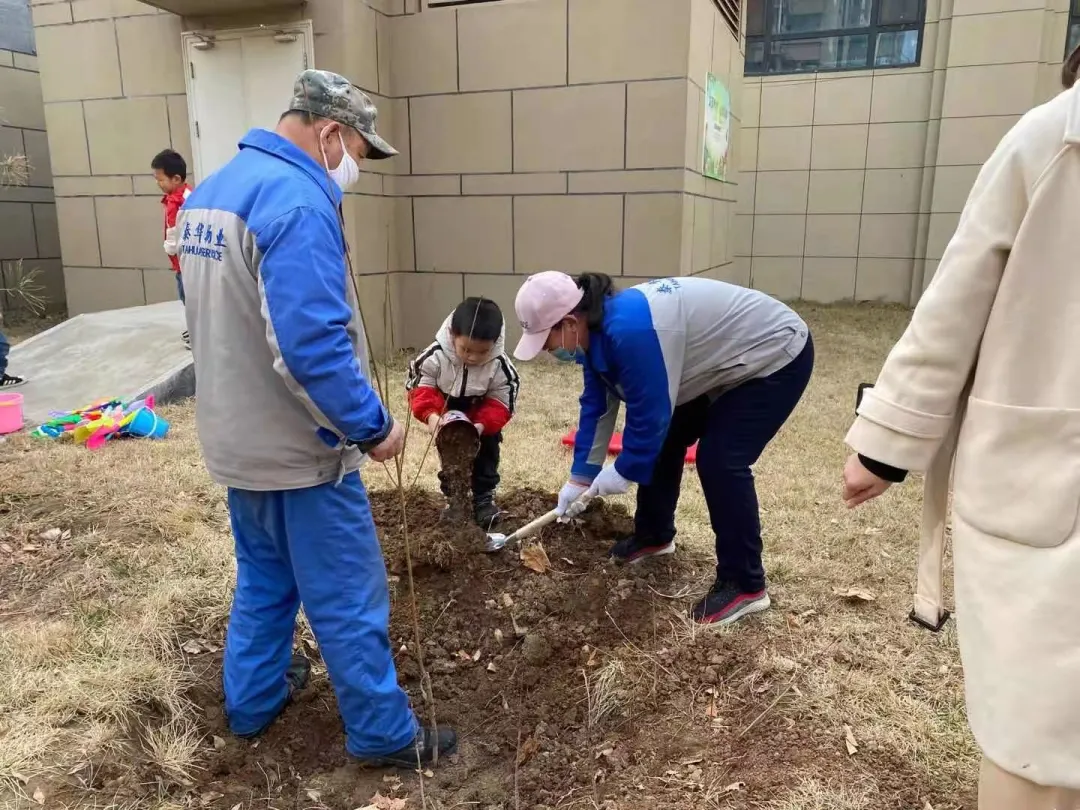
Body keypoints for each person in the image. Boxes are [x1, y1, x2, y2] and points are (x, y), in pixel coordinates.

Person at [176, 69, 456, 767]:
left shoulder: (213, 192)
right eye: (360, 152)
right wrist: (370, 424)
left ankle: (253, 699)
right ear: (330, 133)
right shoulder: (298, 201)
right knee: (349, 596)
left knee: (266, 578)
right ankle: (384, 735)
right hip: (302, 451)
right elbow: (310, 347)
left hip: (238, 440)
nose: (356, 167)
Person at [842, 57, 1080, 808]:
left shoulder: (1051, 135)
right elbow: (961, 294)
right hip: (1054, 467)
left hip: (1049, 460)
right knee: (1042, 721)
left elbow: (956, 290)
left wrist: (881, 445)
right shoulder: (1054, 141)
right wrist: (889, 438)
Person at [513, 272, 813, 625]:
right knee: (669, 438)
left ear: (568, 322)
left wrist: (624, 471)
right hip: (717, 360)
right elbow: (596, 406)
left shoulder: (630, 332)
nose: (549, 351)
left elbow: (651, 413)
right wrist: (580, 477)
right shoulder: (595, 334)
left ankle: (745, 584)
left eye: (546, 341)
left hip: (773, 352)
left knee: (720, 459)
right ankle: (653, 536)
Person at [406, 296, 520, 530]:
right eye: (465, 349)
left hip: (482, 413)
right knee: (451, 459)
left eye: (482, 352)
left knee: (487, 453)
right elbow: (421, 386)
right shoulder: (435, 356)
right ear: (452, 334)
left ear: (495, 342)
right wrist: (431, 415)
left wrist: (482, 425)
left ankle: (483, 499)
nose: (473, 357)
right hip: (446, 410)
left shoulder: (500, 366)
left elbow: (502, 400)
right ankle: (455, 501)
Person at [151, 148, 193, 349]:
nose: (158, 184)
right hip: (190, 260)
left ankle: (198, 334)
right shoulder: (189, 194)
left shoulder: (176, 202)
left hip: (184, 262)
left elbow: (173, 231)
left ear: (175, 178)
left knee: (188, 296)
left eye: (160, 179)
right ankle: (196, 328)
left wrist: (169, 248)